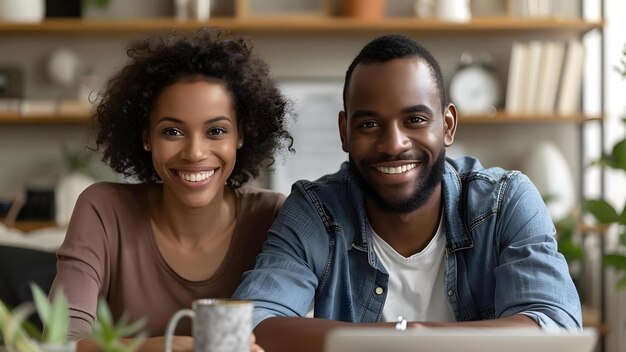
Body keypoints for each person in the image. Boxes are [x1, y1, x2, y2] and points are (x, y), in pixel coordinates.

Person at [233, 34, 582, 351]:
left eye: (414, 120)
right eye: (369, 124)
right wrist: (399, 338)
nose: (393, 144)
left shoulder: (504, 202)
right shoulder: (316, 212)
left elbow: (555, 328)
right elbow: (250, 324)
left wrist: (418, 336)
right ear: (345, 133)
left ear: (447, 126)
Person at [50, 28, 292, 352]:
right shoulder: (103, 211)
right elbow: (58, 342)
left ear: (241, 136)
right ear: (147, 137)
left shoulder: (274, 217)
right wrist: (150, 349)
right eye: (173, 131)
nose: (194, 152)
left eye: (216, 130)